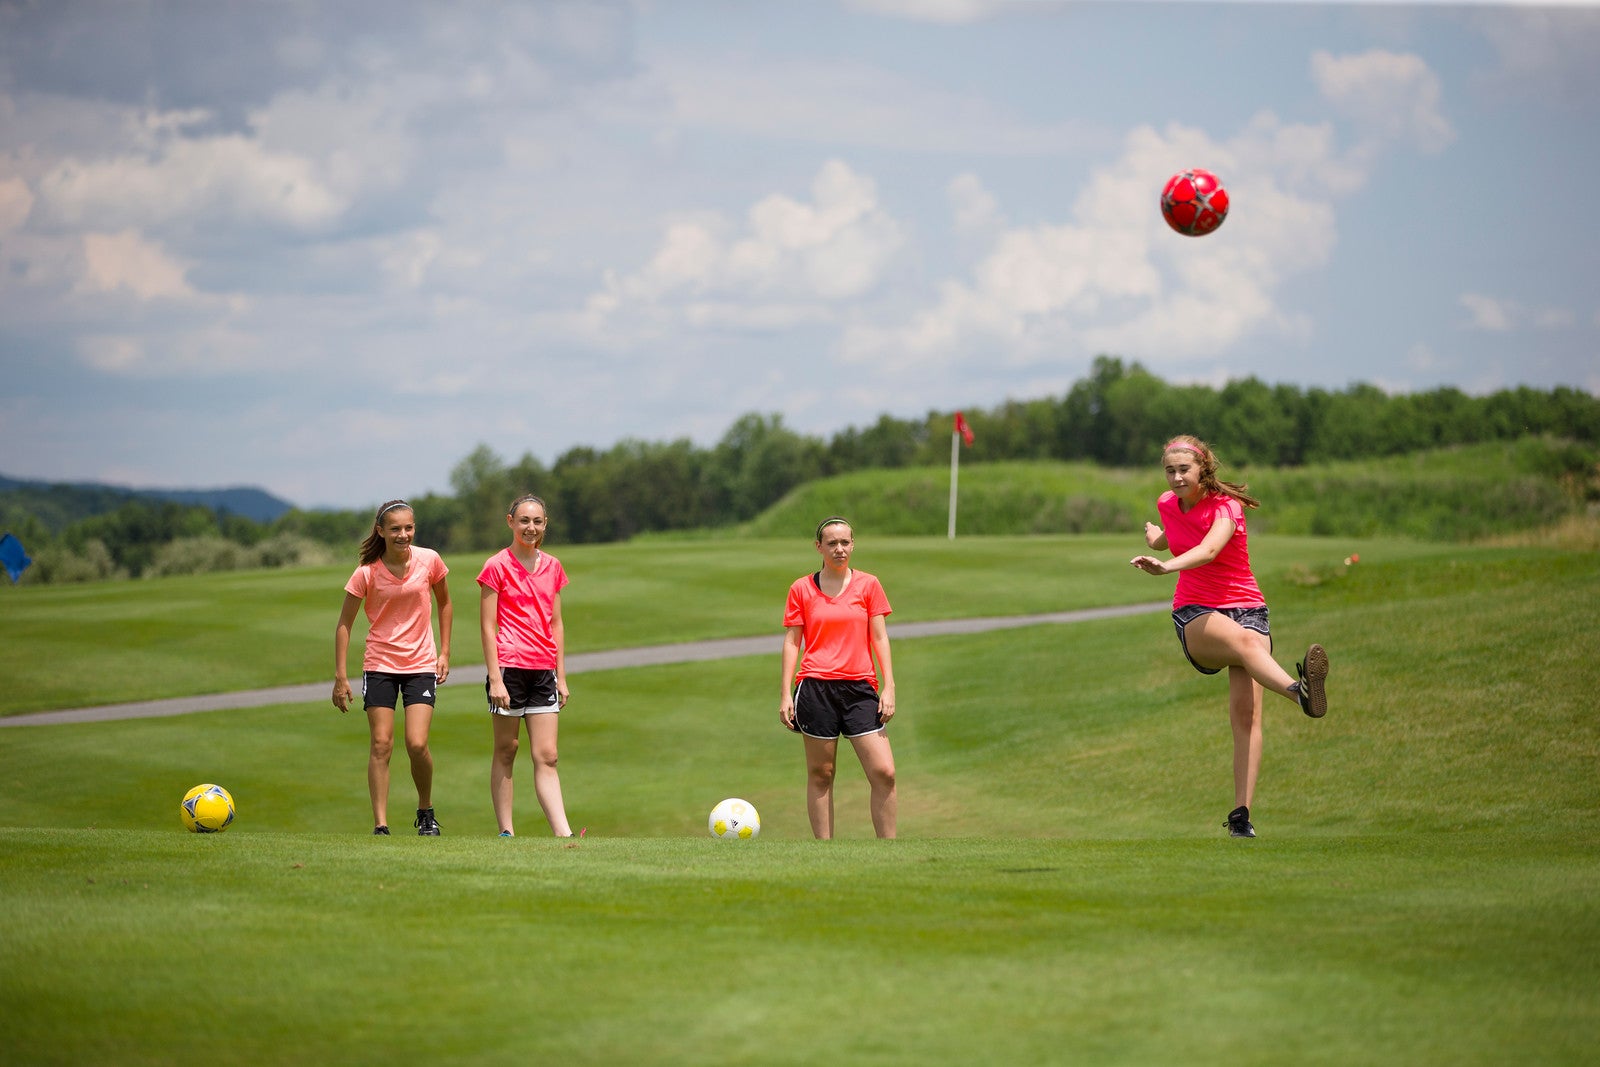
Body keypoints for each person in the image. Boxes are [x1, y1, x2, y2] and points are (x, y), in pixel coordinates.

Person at [1129, 435, 1329, 839]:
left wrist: (1165, 565)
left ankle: (1241, 816)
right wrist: (1157, 541)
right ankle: (1298, 692)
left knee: (1246, 713)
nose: (1176, 477)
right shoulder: (1167, 504)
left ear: (1203, 469)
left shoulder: (1227, 507)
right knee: (1244, 644)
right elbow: (1178, 533)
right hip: (1196, 612)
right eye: (1170, 470)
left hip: (1249, 608)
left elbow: (1208, 550)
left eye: (1184, 469)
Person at [332, 499, 453, 836]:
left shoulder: (430, 560)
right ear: (381, 531)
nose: (403, 534)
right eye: (396, 529)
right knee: (381, 744)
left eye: (409, 528)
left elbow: (444, 603)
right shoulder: (366, 573)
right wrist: (341, 677)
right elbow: (344, 624)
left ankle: (425, 810)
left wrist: (444, 652)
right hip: (380, 664)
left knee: (416, 743)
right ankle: (381, 824)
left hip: (420, 663)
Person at [779, 517, 898, 839]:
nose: (839, 549)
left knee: (884, 772)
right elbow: (793, 641)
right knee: (822, 774)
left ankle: (891, 851)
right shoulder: (801, 589)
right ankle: (825, 853)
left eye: (845, 542)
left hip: (860, 688)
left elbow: (880, 637)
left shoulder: (869, 585)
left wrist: (889, 687)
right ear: (819, 547)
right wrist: (785, 694)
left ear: (853, 545)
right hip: (815, 688)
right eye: (832, 543)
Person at [477, 494, 574, 838]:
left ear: (545, 525)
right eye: (524, 521)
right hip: (508, 666)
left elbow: (557, 623)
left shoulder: (553, 566)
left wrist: (561, 676)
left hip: (543, 668)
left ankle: (563, 834)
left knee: (547, 755)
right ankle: (506, 831)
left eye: (537, 521)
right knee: (507, 749)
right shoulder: (496, 566)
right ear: (510, 522)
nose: (530, 528)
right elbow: (487, 625)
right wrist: (494, 678)